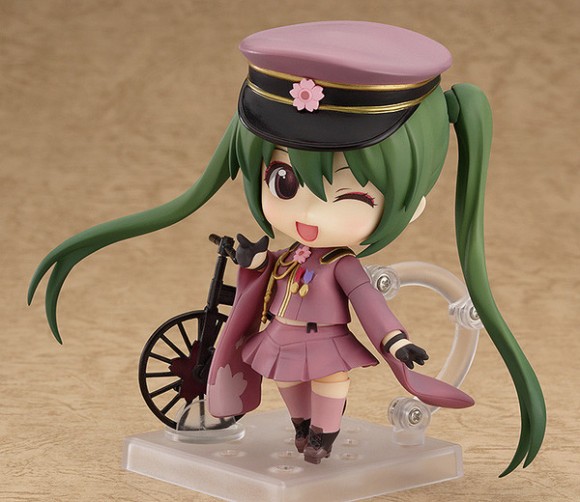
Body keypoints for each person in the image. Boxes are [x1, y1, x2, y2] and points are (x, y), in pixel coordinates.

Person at [29, 21, 545, 475]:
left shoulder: (343, 265)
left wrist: (396, 343)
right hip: (280, 335)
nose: (309, 215)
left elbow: (370, 305)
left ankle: (323, 433)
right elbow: (267, 273)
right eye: (283, 182)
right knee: (285, 382)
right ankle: (303, 426)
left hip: (325, 339)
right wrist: (254, 261)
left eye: (349, 196)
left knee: (329, 382)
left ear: (412, 206)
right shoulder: (291, 257)